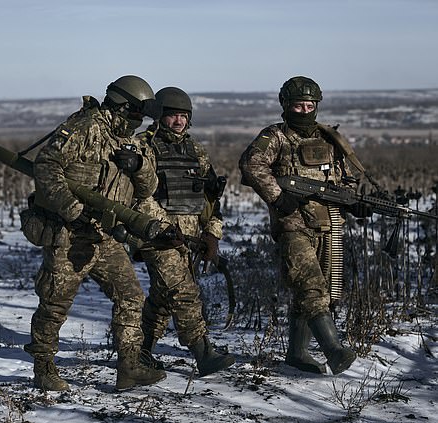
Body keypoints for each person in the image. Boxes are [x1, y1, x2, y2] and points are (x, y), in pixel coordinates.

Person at [23, 75, 167, 391]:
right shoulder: (82, 128)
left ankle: (129, 367)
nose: (137, 122)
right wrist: (73, 210)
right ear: (122, 106)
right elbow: (46, 167)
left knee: (131, 297)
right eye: (135, 114)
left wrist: (139, 165)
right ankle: (44, 366)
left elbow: (147, 188)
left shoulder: (128, 139)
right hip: (69, 235)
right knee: (54, 303)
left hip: (106, 236)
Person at [239, 76, 370, 375]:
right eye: (298, 106)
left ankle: (297, 355)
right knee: (311, 288)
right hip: (293, 225)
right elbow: (251, 164)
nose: (305, 110)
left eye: (310, 105)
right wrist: (277, 197)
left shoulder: (329, 139)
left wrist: (354, 203)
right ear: (286, 106)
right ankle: (334, 350)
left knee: (320, 291)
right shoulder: (277, 137)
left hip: (328, 223)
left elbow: (345, 179)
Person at [133, 87, 235, 377]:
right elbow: (140, 197)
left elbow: (211, 200)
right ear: (159, 116)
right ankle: (203, 353)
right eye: (172, 115)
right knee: (183, 292)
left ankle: (139, 351)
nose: (179, 121)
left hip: (190, 239)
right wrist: (164, 228)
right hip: (157, 236)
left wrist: (212, 234)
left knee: (163, 298)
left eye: (183, 116)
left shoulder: (195, 149)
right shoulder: (143, 146)